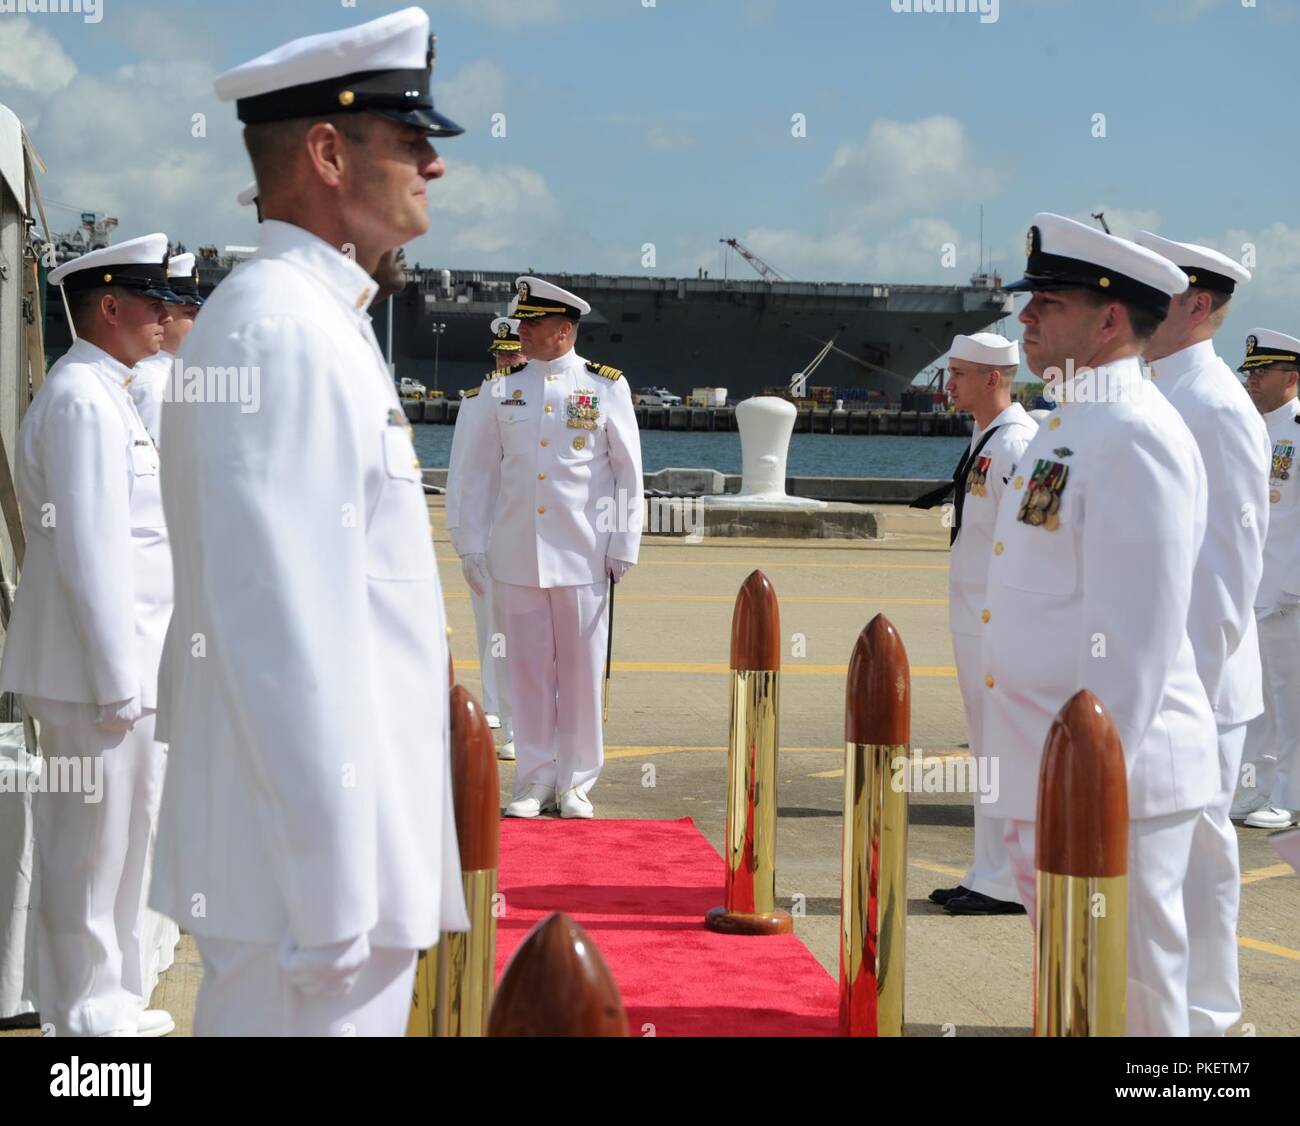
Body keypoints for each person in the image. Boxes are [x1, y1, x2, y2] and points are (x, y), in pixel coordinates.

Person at [149, 6, 469, 1036]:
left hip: (325, 870)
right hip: (313, 885)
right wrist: (333, 897)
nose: (435, 164)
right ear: (328, 152)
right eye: (411, 139)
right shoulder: (283, 328)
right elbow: (274, 627)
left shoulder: (308, 318)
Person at [982, 212, 1217, 1037]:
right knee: (1077, 998)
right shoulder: (1070, 421)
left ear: (1110, 317)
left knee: (1135, 1008)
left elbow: (1132, 646)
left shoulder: (1133, 435)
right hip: (1049, 768)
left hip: (1109, 782)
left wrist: (1085, 786)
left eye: (1047, 301)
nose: (1026, 317)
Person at [0, 234, 178, 1037]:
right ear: (109, 307)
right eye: (151, 301)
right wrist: (117, 678)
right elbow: (89, 551)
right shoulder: (80, 399)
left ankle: (111, 997)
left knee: (124, 840)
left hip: (123, 668)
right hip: (94, 673)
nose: (164, 316)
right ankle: (80, 1015)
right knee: (87, 850)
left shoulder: (110, 392)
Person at [1134, 232, 1268, 1035]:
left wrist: (1187, 691)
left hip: (1200, 684)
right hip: (1169, 679)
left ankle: (1208, 1023)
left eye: (1164, 290)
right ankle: (1165, 1015)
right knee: (1168, 866)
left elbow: (1226, 574)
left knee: (1200, 858)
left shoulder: (1215, 405)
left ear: (1199, 305)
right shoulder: (1159, 391)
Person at [454, 277, 643, 819]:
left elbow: (628, 472)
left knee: (582, 669)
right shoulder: (502, 389)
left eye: (531, 325)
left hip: (583, 552)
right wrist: (471, 544)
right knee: (527, 671)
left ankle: (577, 781)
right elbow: (477, 476)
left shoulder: (605, 386)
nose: (522, 333)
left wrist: (624, 541)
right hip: (516, 553)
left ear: (563, 330)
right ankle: (534, 780)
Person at [919, 333, 1036, 916]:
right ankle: (989, 871)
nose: (950, 384)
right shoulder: (987, 436)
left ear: (994, 378)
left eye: (960, 373)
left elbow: (1029, 541)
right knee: (988, 749)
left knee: (1006, 750)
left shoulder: (1018, 444)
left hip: (1000, 620)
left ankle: (1012, 879)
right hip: (975, 618)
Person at [445, 316, 522, 759]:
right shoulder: (476, 403)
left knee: (521, 627)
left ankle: (517, 714)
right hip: (485, 530)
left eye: (512, 352)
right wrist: (460, 534)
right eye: (500, 353)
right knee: (488, 623)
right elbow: (459, 473)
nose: (505, 359)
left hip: (523, 531)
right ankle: (494, 704)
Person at [1235, 328, 1300, 831]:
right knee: (1258, 699)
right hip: (1254, 589)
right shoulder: (1255, 428)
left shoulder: (1297, 430)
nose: (1252, 380)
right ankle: (1257, 787)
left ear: (1292, 378)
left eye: (1262, 372)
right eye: (1250, 372)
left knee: (1290, 697)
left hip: (1288, 595)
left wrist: (1290, 589)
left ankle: (1291, 796)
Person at [131, 251, 205, 444]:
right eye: (189, 313)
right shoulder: (154, 386)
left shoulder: (169, 375)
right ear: (163, 314)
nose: (197, 321)